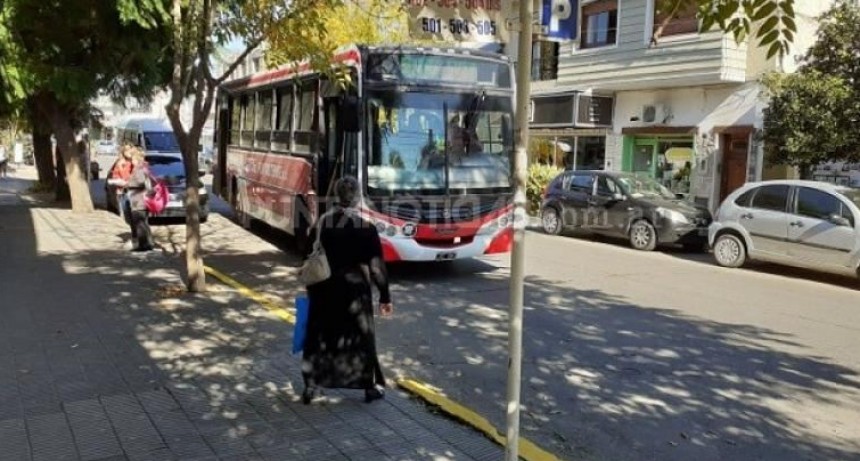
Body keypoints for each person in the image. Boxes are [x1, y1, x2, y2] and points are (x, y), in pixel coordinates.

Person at [301, 176, 393, 404]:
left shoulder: (323, 223)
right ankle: (368, 386)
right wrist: (385, 296)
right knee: (361, 338)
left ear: (337, 196)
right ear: (358, 197)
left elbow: (308, 251)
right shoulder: (366, 229)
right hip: (355, 292)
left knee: (320, 337)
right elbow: (376, 268)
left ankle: (312, 385)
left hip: (323, 288)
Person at [125, 148, 154, 252]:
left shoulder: (139, 168)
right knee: (143, 223)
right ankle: (148, 243)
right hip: (142, 199)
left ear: (136, 158)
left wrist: (128, 184)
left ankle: (143, 245)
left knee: (139, 223)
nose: (131, 160)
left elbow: (140, 182)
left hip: (139, 200)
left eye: (132, 158)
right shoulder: (144, 167)